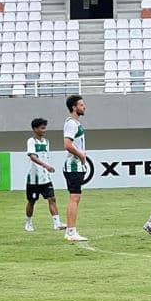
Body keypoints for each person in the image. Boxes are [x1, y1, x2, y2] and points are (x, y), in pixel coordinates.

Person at [24, 117, 63, 232]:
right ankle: (28, 223)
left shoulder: (46, 142)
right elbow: (32, 157)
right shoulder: (31, 141)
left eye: (45, 128)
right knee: (32, 201)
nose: (44, 130)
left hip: (45, 178)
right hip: (33, 179)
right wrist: (46, 165)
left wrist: (46, 168)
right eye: (42, 128)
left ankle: (57, 223)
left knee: (52, 198)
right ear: (35, 129)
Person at [62, 94, 89, 243]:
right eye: (81, 105)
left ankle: (71, 230)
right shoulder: (71, 123)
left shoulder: (75, 123)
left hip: (76, 165)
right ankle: (71, 231)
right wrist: (81, 155)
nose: (84, 107)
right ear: (74, 107)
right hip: (73, 166)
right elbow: (67, 144)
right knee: (74, 197)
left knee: (75, 197)